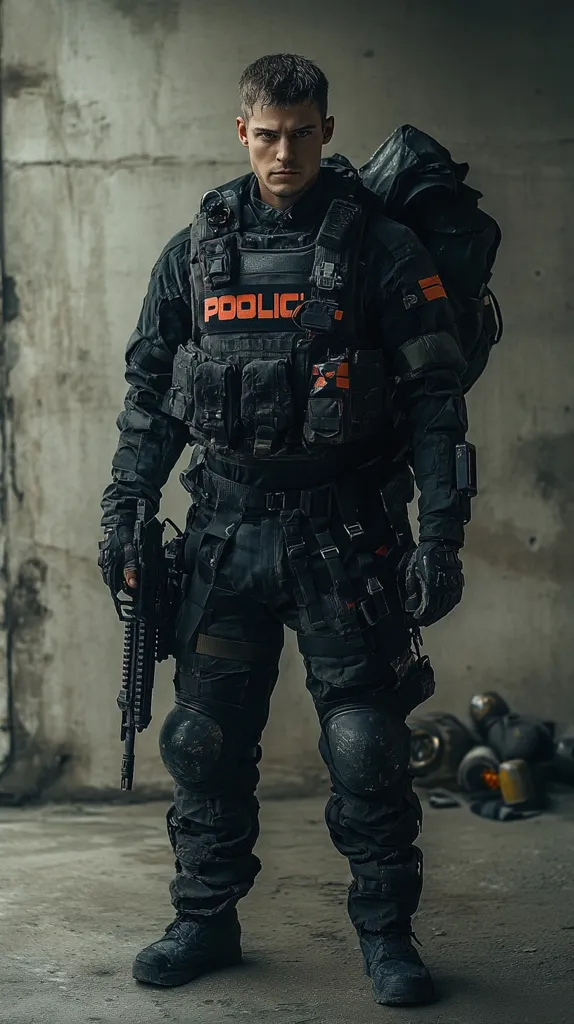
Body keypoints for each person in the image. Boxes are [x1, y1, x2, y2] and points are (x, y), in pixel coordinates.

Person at [98, 52, 469, 1007]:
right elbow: (150, 398)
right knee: (202, 742)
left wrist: (441, 535)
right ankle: (204, 918)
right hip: (224, 538)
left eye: (302, 133)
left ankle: (386, 937)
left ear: (327, 130)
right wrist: (124, 510)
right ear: (242, 132)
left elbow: (436, 401)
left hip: (343, 542)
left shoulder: (382, 249)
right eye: (267, 135)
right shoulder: (196, 251)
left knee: (367, 746)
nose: (284, 153)